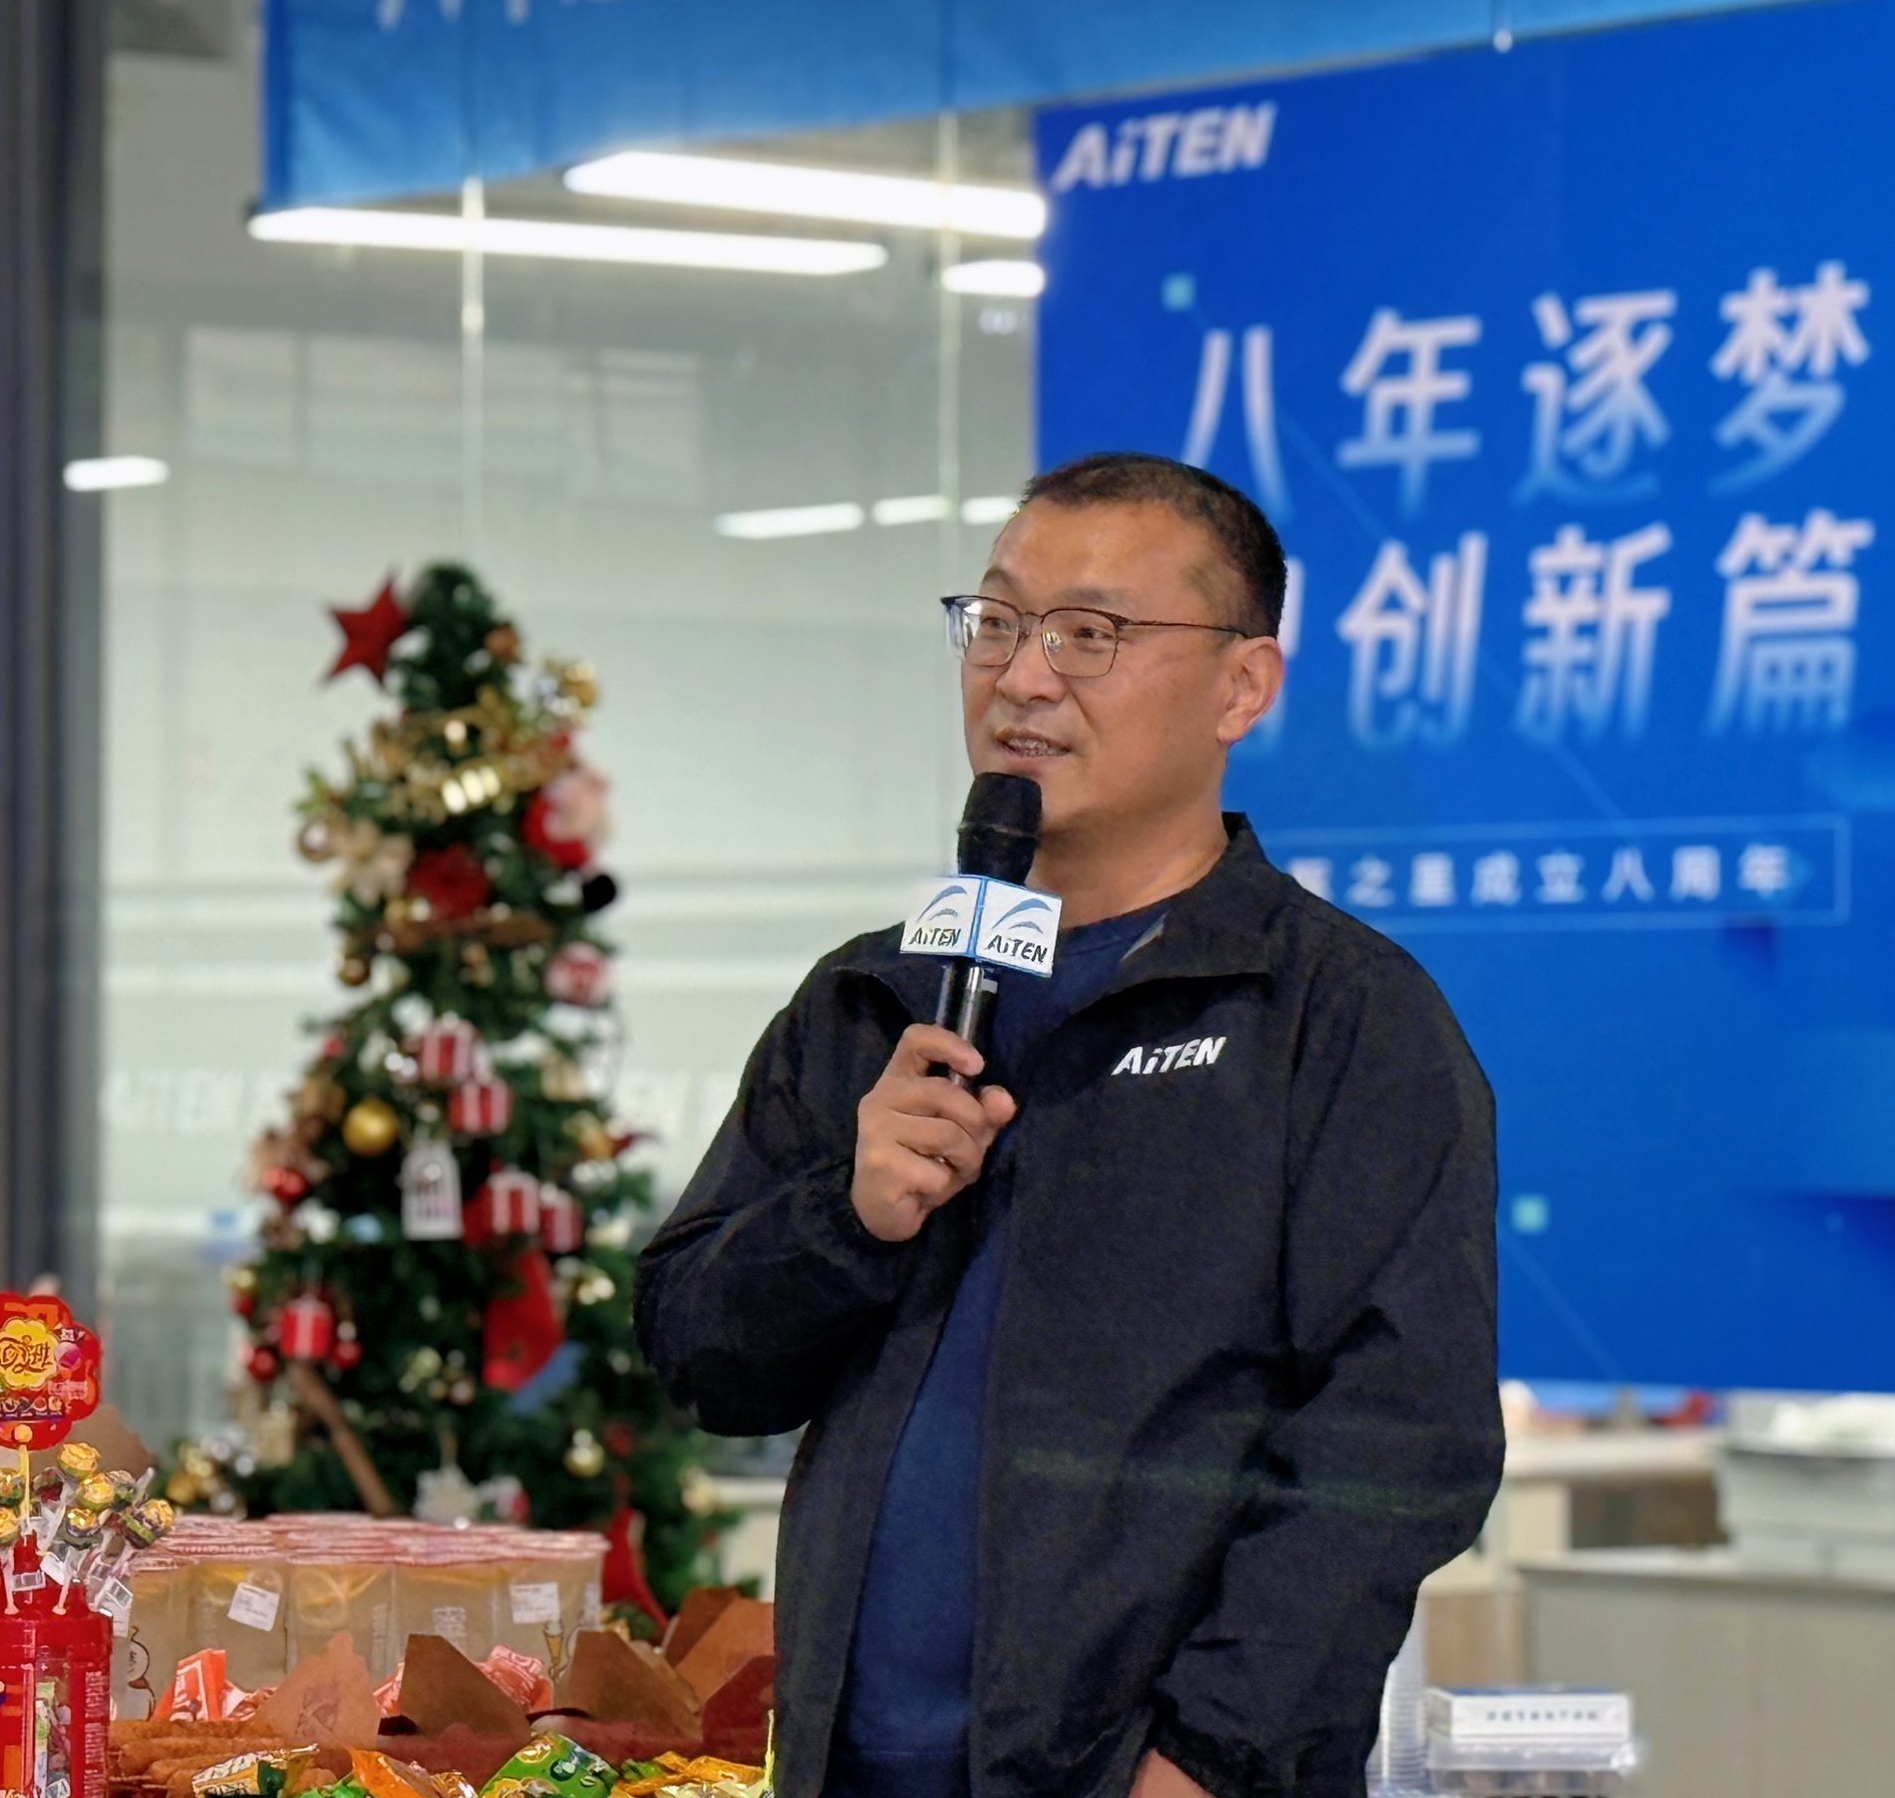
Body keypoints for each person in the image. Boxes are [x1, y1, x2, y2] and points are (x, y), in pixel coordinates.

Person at [637, 453, 1503, 1798]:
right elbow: (700, 1354)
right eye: (997, 622)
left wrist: (1210, 1758)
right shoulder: (874, 998)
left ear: (1242, 686)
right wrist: (846, 1216)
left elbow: (1402, 1436)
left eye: (1091, 634)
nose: (1024, 678)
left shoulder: (1334, 1015)